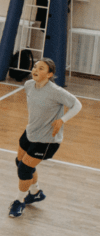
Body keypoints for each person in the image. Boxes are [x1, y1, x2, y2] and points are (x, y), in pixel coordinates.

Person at [9, 58, 82, 218]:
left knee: (24, 168)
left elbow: (77, 104)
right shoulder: (28, 85)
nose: (35, 70)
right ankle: (35, 192)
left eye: (41, 68)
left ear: (49, 74)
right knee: (20, 162)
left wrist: (62, 120)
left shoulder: (56, 91)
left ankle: (19, 201)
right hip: (30, 132)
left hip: (47, 140)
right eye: (35, 67)